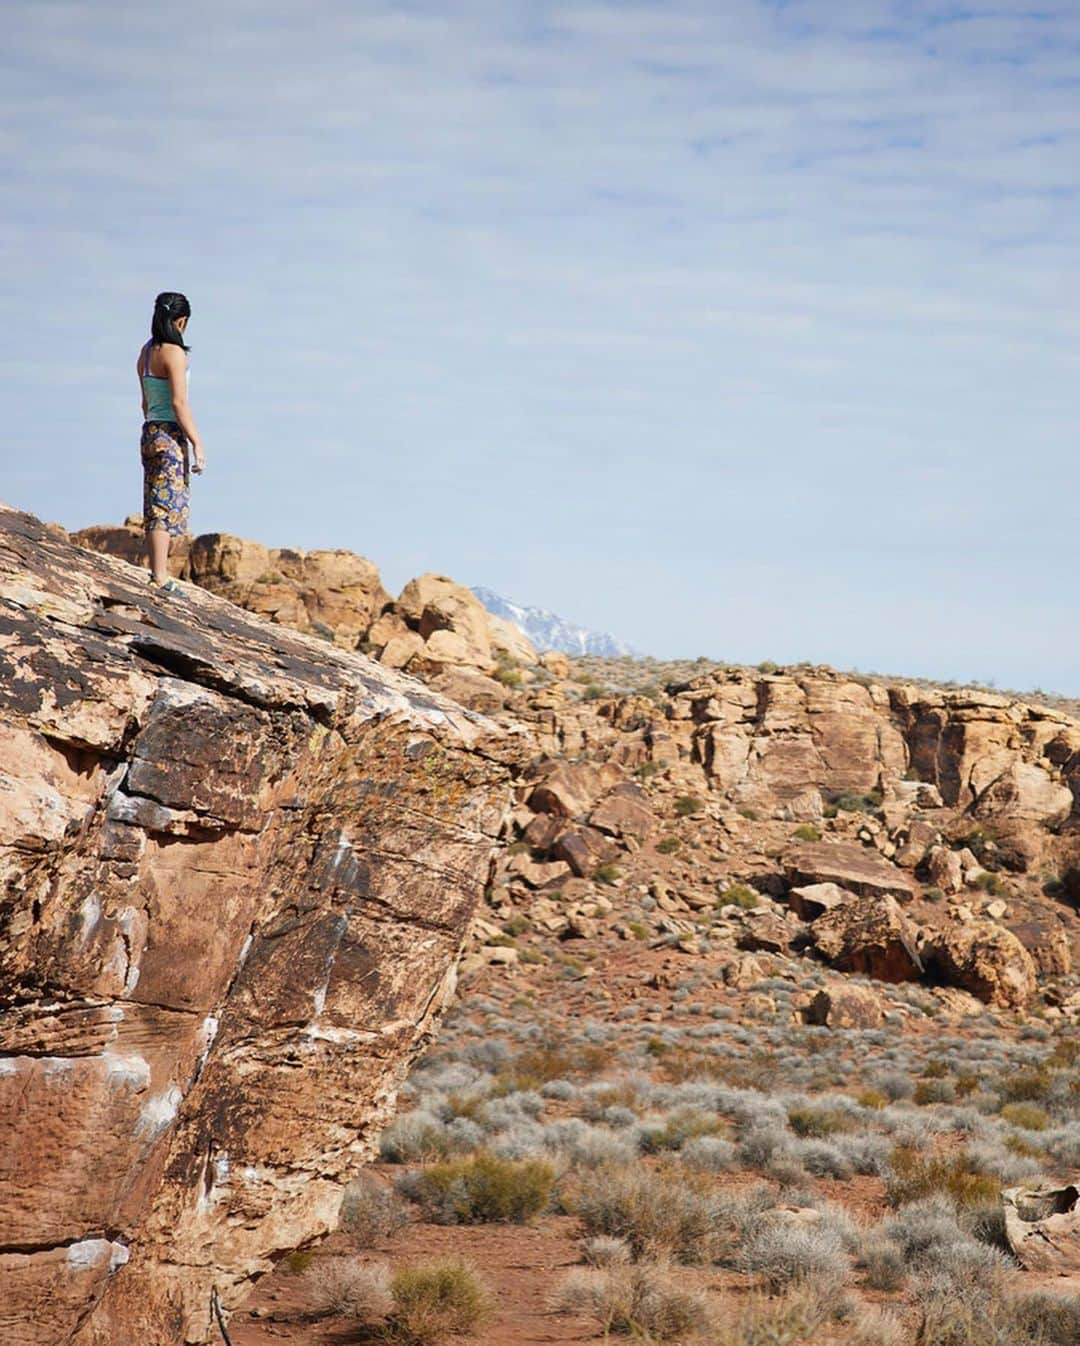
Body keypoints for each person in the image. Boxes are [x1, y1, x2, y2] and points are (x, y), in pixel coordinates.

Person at [137, 292, 205, 591]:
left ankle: (156, 572)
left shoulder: (146, 352)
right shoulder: (175, 354)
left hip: (150, 430)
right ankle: (161, 576)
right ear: (181, 320)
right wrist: (197, 443)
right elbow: (179, 403)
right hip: (170, 434)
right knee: (165, 505)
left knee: (154, 503)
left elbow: (144, 402)